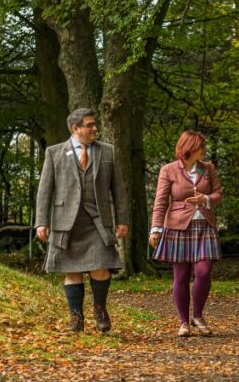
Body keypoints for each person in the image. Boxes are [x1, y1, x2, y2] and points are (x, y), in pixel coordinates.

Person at [35, 107, 130, 333]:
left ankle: (100, 309)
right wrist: (41, 221)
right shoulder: (54, 153)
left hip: (98, 220)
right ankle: (76, 317)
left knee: (101, 267)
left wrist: (122, 218)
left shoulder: (107, 152)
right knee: (72, 271)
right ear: (75, 128)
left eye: (94, 124)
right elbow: (44, 190)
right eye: (89, 125)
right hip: (66, 221)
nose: (95, 128)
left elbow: (119, 189)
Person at [149, 130, 223, 337]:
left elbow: (218, 194)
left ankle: (197, 316)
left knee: (204, 272)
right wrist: (156, 229)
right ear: (190, 148)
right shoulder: (168, 170)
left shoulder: (208, 168)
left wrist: (205, 200)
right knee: (180, 276)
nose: (204, 150)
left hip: (205, 226)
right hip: (177, 227)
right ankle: (183, 322)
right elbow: (161, 201)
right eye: (201, 146)